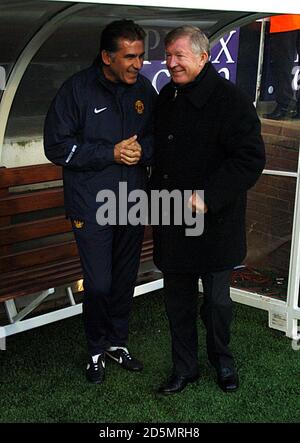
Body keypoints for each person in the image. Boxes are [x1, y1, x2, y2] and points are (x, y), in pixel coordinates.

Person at [151, 26, 266, 394]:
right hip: (172, 220)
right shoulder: (167, 94)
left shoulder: (231, 100)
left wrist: (208, 196)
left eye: (179, 55)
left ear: (203, 57)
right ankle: (184, 368)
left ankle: (223, 361)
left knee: (217, 303)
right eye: (168, 56)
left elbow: (250, 159)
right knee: (178, 303)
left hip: (215, 224)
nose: (171, 63)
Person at [44, 20, 156, 384]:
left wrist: (143, 150)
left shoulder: (143, 88)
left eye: (140, 56)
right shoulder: (77, 90)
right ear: (107, 56)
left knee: (125, 280)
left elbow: (157, 136)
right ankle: (95, 349)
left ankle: (116, 343)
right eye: (129, 57)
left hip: (133, 201)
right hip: (91, 204)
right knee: (99, 284)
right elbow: (56, 146)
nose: (137, 64)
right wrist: (109, 152)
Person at [263, 14, 300, 120]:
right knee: (283, 64)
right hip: (289, 19)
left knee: (282, 64)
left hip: (286, 20)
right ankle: (287, 106)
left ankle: (285, 105)